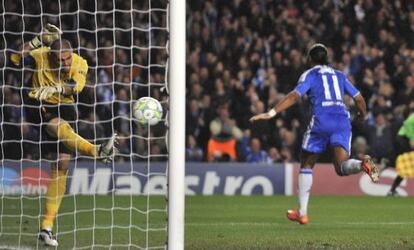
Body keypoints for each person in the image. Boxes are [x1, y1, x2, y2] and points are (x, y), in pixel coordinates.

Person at [10, 24, 118, 246]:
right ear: (51, 57)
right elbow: (14, 59)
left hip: (65, 104)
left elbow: (75, 87)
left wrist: (58, 89)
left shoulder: (80, 63)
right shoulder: (40, 56)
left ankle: (46, 228)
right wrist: (37, 40)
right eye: (61, 60)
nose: (66, 64)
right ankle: (97, 151)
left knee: (61, 165)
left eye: (68, 59)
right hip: (37, 103)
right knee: (55, 125)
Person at [250, 43, 379, 225]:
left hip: (322, 119)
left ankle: (302, 213)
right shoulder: (340, 75)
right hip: (342, 120)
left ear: (310, 59)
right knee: (341, 167)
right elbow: (358, 98)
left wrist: (271, 113)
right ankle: (362, 164)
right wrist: (362, 115)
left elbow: (296, 96)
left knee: (307, 163)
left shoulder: (309, 74)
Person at [386, 113, 414, 196]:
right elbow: (407, 123)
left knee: (408, 165)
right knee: (408, 164)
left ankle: (389, 162)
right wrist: (412, 138)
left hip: (403, 139)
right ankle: (390, 162)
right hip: (404, 138)